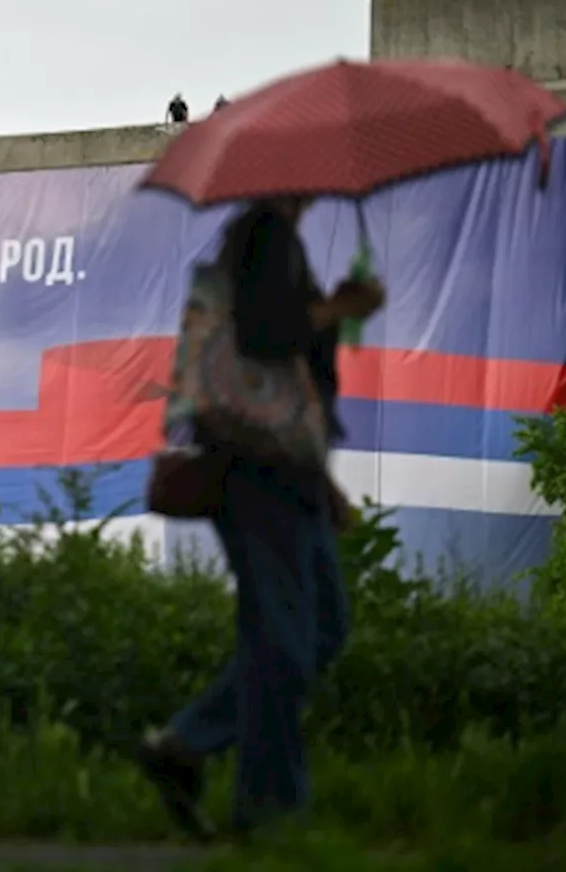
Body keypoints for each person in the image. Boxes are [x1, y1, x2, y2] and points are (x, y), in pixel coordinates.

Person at [136, 197, 385, 840]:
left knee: (320, 628)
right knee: (286, 639)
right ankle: (269, 811)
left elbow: (288, 383)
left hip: (288, 470)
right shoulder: (262, 235)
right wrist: (341, 308)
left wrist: (322, 476)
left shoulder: (281, 245)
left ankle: (185, 746)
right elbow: (266, 338)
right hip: (257, 473)